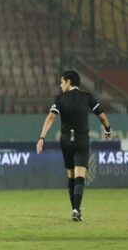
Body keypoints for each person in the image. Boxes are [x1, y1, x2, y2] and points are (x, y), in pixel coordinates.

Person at [36, 70, 112, 222]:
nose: (61, 84)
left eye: (62, 81)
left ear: (69, 82)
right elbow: (102, 116)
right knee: (80, 176)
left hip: (65, 140)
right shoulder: (87, 97)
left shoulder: (60, 98)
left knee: (70, 175)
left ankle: (74, 209)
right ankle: (76, 209)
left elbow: (51, 117)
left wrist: (41, 138)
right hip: (81, 139)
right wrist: (108, 129)